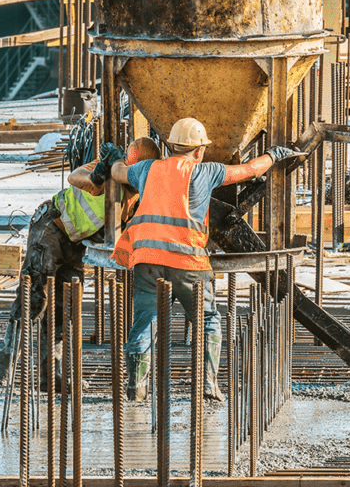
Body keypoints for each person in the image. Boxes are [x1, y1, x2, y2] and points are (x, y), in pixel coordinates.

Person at [108, 117, 297, 401]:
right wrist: (275, 155)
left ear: (170, 146)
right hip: (187, 263)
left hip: (146, 260)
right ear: (199, 151)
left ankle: (136, 387)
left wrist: (113, 159)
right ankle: (207, 384)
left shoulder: (146, 169)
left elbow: (118, 172)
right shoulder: (205, 171)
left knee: (144, 321)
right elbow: (248, 170)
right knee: (207, 320)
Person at [0, 137, 162, 386]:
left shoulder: (139, 193)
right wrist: (100, 173)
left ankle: (51, 374)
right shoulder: (109, 167)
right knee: (34, 299)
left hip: (77, 245)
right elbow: (75, 177)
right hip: (51, 228)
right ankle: (4, 365)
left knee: (63, 307)